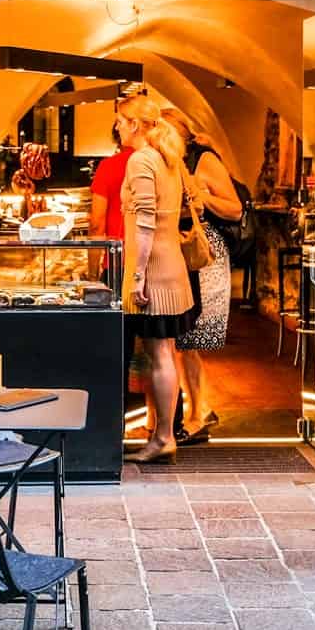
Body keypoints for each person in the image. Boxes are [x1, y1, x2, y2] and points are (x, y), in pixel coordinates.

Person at [117, 93, 197, 465]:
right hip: (171, 265)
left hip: (153, 271)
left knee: (160, 353)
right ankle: (162, 433)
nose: (117, 127)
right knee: (162, 353)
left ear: (134, 124)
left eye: (120, 121)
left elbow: (145, 223)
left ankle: (163, 436)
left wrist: (136, 277)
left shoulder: (141, 159)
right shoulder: (169, 158)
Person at [161, 108, 243, 445]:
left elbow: (235, 208)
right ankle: (191, 410)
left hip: (205, 250)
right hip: (181, 250)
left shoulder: (204, 160)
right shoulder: (169, 162)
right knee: (180, 340)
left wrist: (200, 193)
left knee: (190, 338)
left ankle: (200, 411)